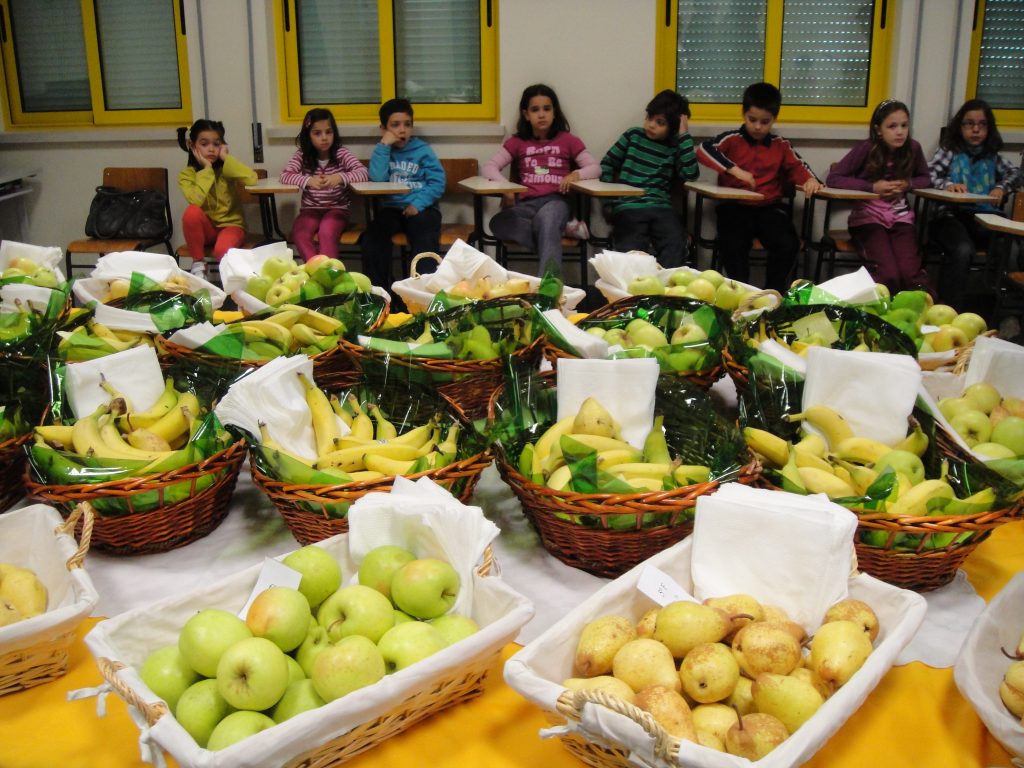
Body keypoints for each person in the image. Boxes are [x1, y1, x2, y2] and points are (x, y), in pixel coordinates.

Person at [696, 82, 821, 293]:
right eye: (752, 120)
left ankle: (772, 293)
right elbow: (703, 149)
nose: (757, 127)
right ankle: (742, 294)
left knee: (787, 243)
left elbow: (798, 166)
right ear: (743, 114)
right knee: (733, 244)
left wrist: (810, 180)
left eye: (765, 122)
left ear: (774, 119)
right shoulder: (731, 139)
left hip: (769, 209)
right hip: (734, 208)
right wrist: (734, 170)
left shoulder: (781, 144)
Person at [482, 83, 601, 275]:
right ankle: (559, 231)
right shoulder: (517, 142)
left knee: (548, 219)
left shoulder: (568, 140)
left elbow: (595, 168)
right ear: (526, 115)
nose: (542, 114)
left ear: (555, 112)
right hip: (526, 205)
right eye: (535, 109)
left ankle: (549, 288)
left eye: (547, 108)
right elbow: (489, 167)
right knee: (498, 222)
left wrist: (575, 174)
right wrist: (506, 188)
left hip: (556, 202)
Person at [826, 99, 933, 296]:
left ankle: (923, 312)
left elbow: (926, 178)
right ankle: (879, 312)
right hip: (868, 219)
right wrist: (871, 187)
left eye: (904, 125)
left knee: (910, 274)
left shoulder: (913, 149)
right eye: (892, 126)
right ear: (878, 130)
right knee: (887, 273)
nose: (900, 132)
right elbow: (834, 178)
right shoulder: (867, 149)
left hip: (901, 220)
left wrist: (908, 184)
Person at [927, 99, 1020, 310]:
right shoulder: (949, 151)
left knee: (1010, 247)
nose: (976, 129)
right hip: (950, 217)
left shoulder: (992, 157)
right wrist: (947, 185)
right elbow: (927, 174)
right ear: (960, 127)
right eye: (969, 124)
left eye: (982, 124)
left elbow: (1015, 173)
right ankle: (951, 309)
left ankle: (1002, 310)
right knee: (962, 249)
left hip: (983, 218)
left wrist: (1002, 187)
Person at [599, 89, 699, 267]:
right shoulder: (633, 136)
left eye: (660, 122)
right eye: (649, 118)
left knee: (675, 242)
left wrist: (684, 134)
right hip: (629, 205)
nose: (651, 125)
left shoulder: (675, 146)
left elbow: (690, 175)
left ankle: (665, 290)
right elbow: (607, 163)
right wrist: (609, 201)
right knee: (631, 248)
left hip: (661, 207)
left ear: (673, 127)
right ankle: (634, 292)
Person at [360, 98, 445, 290]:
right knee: (372, 237)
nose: (402, 130)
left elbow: (437, 182)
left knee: (424, 236)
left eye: (407, 124)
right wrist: (383, 146)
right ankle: (379, 292)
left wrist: (418, 204)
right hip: (392, 209)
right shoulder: (383, 150)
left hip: (422, 207)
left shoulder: (423, 150)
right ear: (383, 128)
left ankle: (422, 292)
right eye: (395, 125)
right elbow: (378, 178)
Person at [279, 108, 368, 263]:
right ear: (308, 135)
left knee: (326, 231)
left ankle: (330, 272)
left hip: (337, 210)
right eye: (317, 133)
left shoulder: (341, 153)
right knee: (300, 233)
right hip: (310, 210)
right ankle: (316, 270)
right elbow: (285, 175)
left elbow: (363, 173)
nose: (324, 138)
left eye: (329, 132)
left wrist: (340, 177)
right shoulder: (302, 156)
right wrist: (307, 180)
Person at [177, 119, 259, 278]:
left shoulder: (226, 169)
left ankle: (231, 282)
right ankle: (198, 265)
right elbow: (195, 200)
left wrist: (226, 157)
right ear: (192, 146)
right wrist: (207, 170)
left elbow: (252, 178)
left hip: (231, 226)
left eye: (216, 144)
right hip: (206, 230)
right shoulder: (187, 175)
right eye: (204, 144)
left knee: (221, 250)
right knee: (191, 212)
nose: (211, 149)